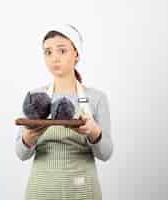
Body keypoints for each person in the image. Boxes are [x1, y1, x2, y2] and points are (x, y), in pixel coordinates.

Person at [15, 24, 113, 200]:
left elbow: (105, 154)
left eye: (62, 51)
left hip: (82, 191)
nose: (54, 58)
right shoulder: (34, 99)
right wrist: (28, 138)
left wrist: (94, 132)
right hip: (41, 191)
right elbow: (21, 154)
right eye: (48, 52)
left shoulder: (96, 98)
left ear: (76, 54)